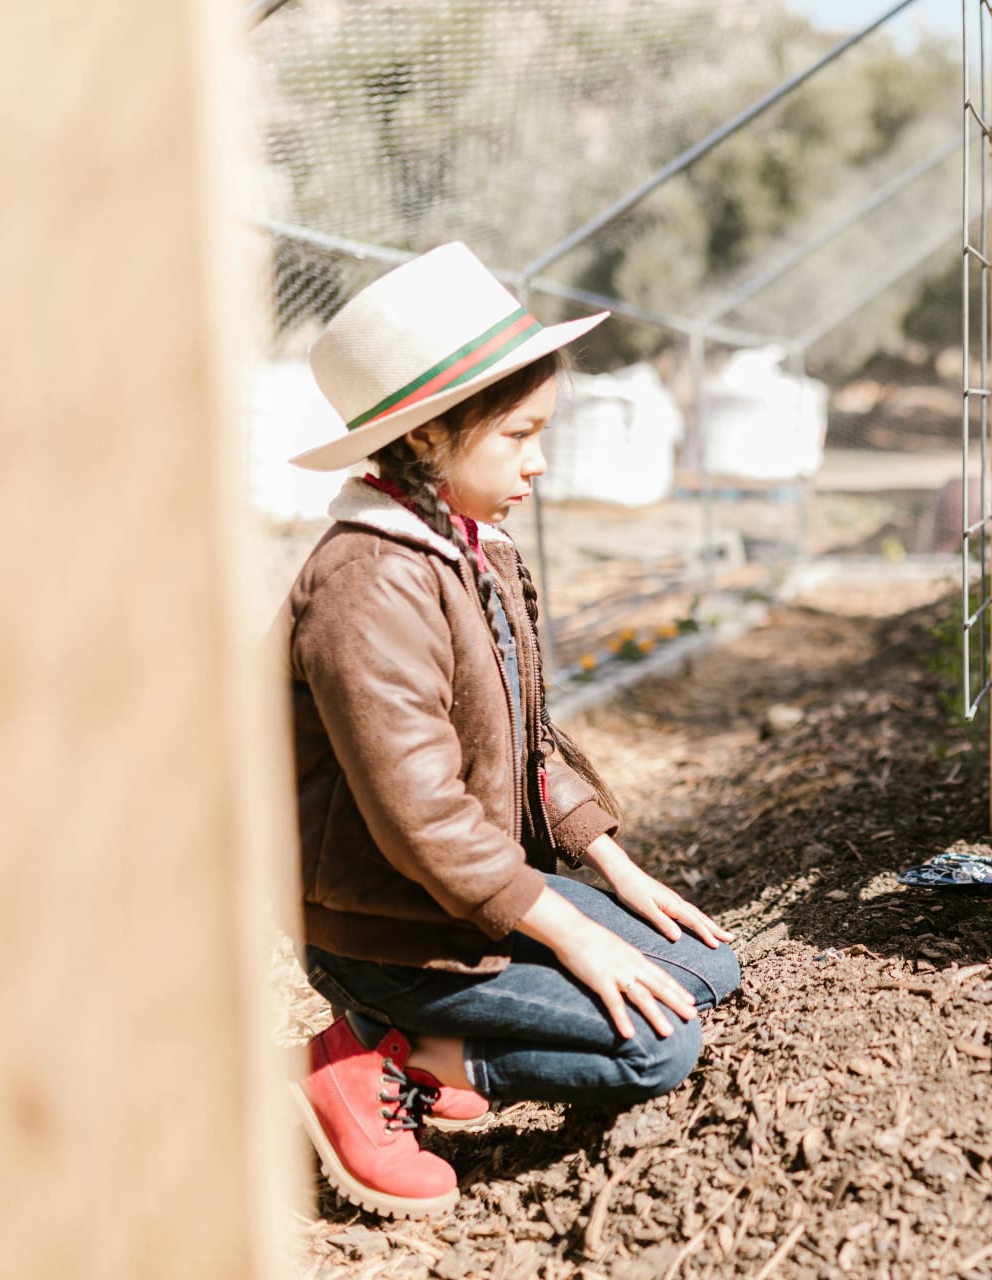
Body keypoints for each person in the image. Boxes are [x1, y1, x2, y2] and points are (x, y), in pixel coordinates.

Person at [282, 244, 739, 1219]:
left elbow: (529, 740)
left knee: (706, 969)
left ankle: (404, 1040)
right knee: (658, 1042)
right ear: (434, 434)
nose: (538, 461)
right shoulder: (367, 582)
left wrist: (616, 869)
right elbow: (426, 821)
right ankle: (374, 1058)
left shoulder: (474, 547)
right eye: (518, 434)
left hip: (463, 907)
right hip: (393, 930)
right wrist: (575, 934)